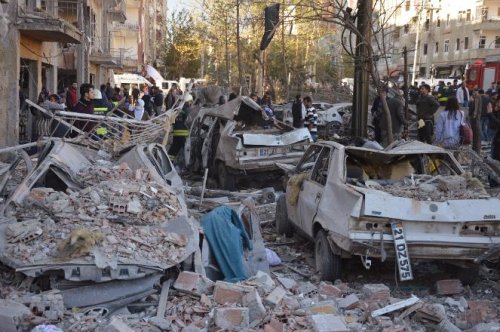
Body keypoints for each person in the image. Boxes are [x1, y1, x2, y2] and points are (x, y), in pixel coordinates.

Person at [168, 93, 193, 164]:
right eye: (190, 101)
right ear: (188, 102)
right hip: (184, 134)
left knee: (174, 149)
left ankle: (168, 163)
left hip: (176, 133)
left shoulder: (177, 110)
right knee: (187, 151)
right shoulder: (187, 110)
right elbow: (189, 122)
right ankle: (187, 166)